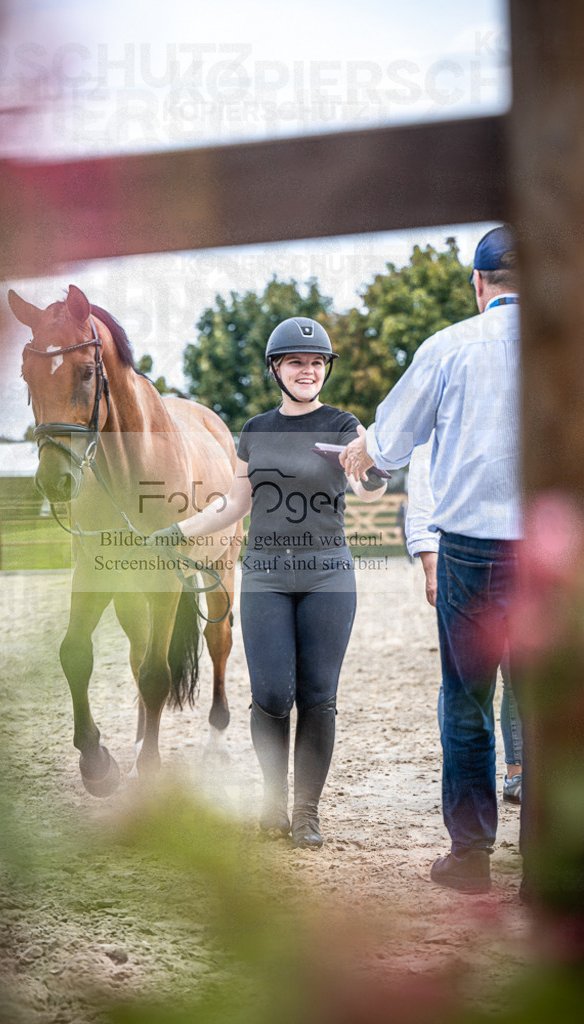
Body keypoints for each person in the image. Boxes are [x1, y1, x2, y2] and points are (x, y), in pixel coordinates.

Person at [146, 318, 387, 848]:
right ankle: (272, 801)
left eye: (317, 362)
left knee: (318, 697)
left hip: (327, 576)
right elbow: (233, 506)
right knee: (273, 694)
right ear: (276, 368)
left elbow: (367, 486)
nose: (309, 370)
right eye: (298, 362)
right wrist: (175, 531)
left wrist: (370, 460)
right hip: (266, 578)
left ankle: (306, 812)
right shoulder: (254, 431)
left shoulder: (345, 425)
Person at [341, 225, 522, 893]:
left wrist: (364, 452)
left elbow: (388, 448)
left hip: (469, 548)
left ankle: (469, 858)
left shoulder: (448, 347)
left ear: (477, 285)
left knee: (466, 699)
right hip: (550, 545)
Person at [405, 440, 523, 805]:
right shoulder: (451, 390)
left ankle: (519, 773)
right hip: (464, 553)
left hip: (524, 546)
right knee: (466, 677)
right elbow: (421, 476)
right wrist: (429, 561)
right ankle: (468, 776)